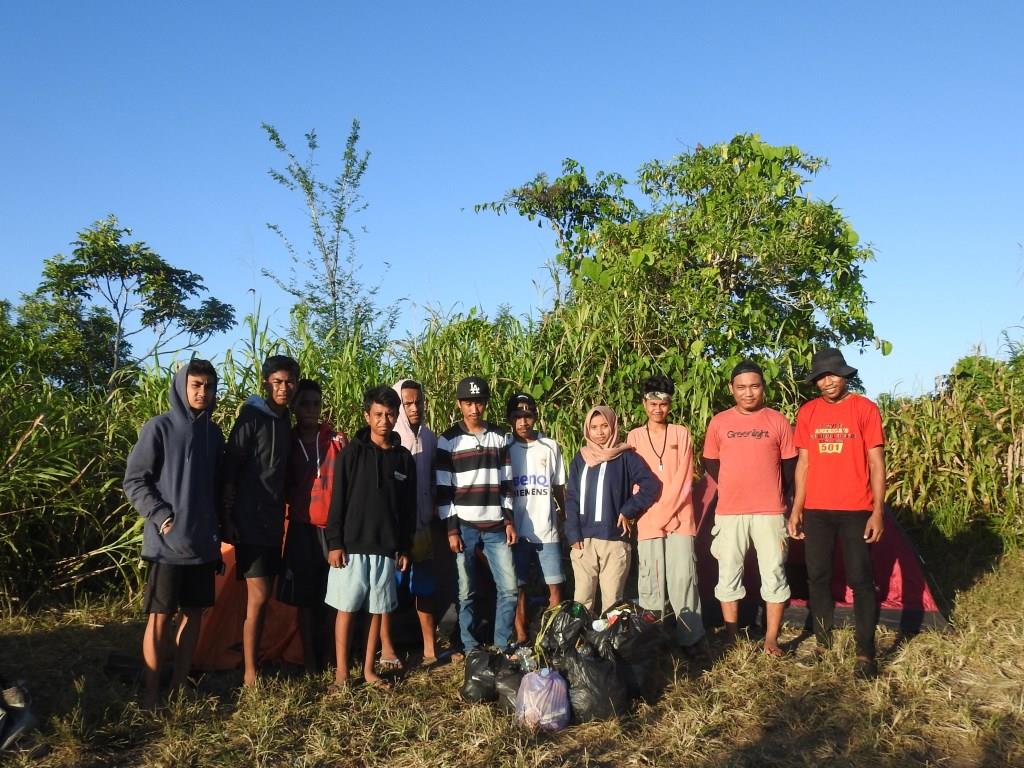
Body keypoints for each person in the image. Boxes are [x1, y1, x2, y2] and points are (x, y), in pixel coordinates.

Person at [123, 359, 224, 707]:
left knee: (194, 614)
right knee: (159, 617)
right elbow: (135, 480)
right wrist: (160, 514)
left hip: (202, 543)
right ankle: (152, 692)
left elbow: (216, 488)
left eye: (209, 385)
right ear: (182, 385)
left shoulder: (214, 434)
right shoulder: (159, 427)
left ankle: (180, 686)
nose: (202, 392)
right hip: (166, 544)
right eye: (196, 384)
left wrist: (218, 532)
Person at [787, 348, 886, 680]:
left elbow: (876, 463)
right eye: (821, 377)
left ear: (845, 376)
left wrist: (877, 512)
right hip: (816, 510)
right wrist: (797, 508)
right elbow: (804, 464)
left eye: (833, 375)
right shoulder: (808, 413)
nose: (828, 382)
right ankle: (822, 642)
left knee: (861, 579)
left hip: (856, 508)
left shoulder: (864, 409)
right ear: (815, 382)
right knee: (818, 577)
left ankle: (865, 653)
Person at [702, 360, 797, 656]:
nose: (748, 393)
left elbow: (790, 465)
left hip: (770, 512)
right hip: (730, 512)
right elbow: (710, 461)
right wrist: (734, 484)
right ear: (731, 389)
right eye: (741, 387)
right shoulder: (719, 422)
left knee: (774, 573)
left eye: (754, 386)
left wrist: (773, 492)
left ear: (763, 388)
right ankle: (731, 635)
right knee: (728, 573)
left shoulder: (777, 421)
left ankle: (771, 639)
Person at [325, 385, 415, 689]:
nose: (384, 420)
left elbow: (407, 509)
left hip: (386, 548)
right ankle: (341, 673)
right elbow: (337, 500)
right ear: (367, 415)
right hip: (351, 546)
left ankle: (368, 670)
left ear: (396, 416)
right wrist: (334, 542)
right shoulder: (351, 454)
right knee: (347, 609)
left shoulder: (404, 459)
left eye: (390, 414)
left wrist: (404, 546)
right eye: (378, 414)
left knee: (377, 611)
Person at [222, 354, 299, 686]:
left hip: (272, 523)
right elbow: (230, 469)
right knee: (259, 594)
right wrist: (228, 518)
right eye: (277, 382)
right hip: (250, 520)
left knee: (264, 597)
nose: (283, 388)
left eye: (289, 381)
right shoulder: (251, 418)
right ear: (266, 383)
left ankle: (254, 660)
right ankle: (250, 674)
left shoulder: (284, 423)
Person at [435, 376, 518, 653]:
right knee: (465, 591)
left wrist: (508, 520)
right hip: (465, 526)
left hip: (496, 525)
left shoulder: (499, 437)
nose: (474, 408)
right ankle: (470, 647)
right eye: (469, 402)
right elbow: (444, 490)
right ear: (459, 404)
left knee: (508, 589)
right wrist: (451, 529)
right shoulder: (447, 441)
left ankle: (501, 645)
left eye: (479, 402)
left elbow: (507, 483)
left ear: (485, 404)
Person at [626, 374, 705, 655]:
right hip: (648, 519)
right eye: (652, 403)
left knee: (684, 578)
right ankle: (653, 640)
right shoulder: (634, 437)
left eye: (663, 403)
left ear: (669, 405)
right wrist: (650, 514)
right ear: (644, 404)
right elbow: (634, 480)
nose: (658, 409)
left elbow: (685, 478)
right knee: (651, 581)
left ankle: (690, 639)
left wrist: (668, 513)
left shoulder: (681, 433)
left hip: (680, 518)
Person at [278, 379, 348, 674]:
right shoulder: (287, 442)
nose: (310, 410)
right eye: (304, 404)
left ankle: (333, 657)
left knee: (333, 598)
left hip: (331, 530)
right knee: (305, 601)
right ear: (294, 407)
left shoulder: (334, 441)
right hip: (301, 529)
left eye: (316, 404)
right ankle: (309, 662)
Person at [565, 406, 660, 615]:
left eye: (604, 426)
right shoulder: (581, 459)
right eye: (594, 427)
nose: (599, 432)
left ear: (613, 426)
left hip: (614, 539)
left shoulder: (625, 457)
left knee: (612, 602)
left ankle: (609, 645)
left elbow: (650, 485)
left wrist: (628, 510)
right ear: (587, 430)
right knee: (581, 599)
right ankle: (579, 643)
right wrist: (572, 533)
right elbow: (571, 497)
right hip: (583, 542)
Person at [378, 379, 440, 669]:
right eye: (408, 403)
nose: (415, 408)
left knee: (424, 589)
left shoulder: (429, 437)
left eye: (418, 402)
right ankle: (387, 648)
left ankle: (429, 648)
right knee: (389, 589)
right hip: (396, 529)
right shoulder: (391, 438)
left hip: (423, 526)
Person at [504, 392, 567, 645]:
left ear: (535, 417)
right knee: (518, 586)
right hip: (517, 532)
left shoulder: (550, 447)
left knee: (555, 585)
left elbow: (559, 487)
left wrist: (565, 519)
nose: (523, 422)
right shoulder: (506, 449)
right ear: (510, 419)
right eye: (517, 417)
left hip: (547, 529)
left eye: (527, 416)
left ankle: (554, 635)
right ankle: (521, 635)